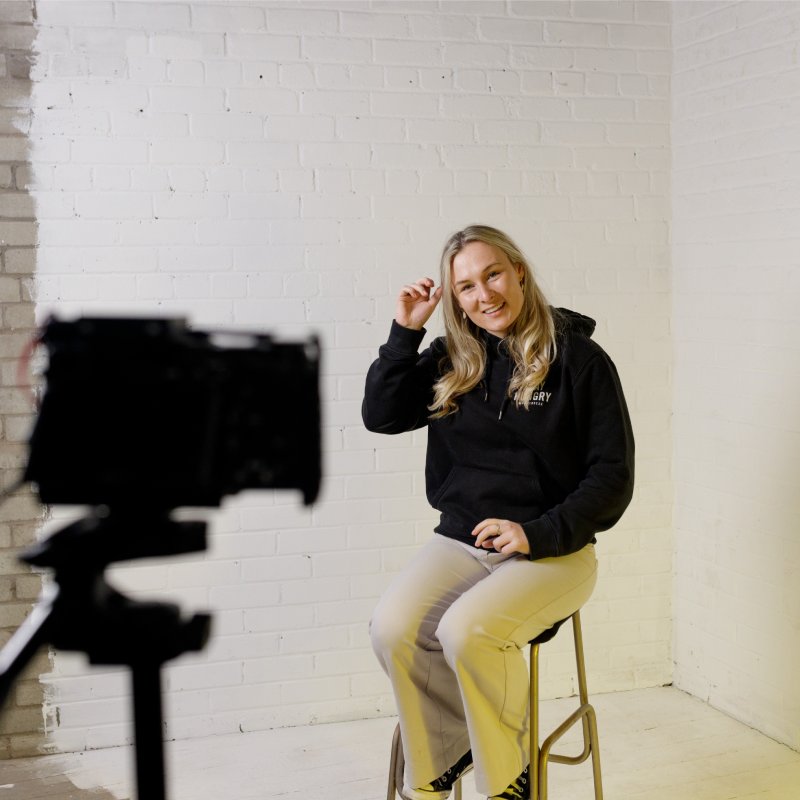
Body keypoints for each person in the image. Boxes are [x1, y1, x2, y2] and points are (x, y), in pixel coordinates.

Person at [362, 225, 634, 800]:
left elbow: (612, 478)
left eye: (492, 275)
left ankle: (507, 780)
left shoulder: (579, 361)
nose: (483, 295)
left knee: (467, 631)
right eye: (465, 287)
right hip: (464, 543)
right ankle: (443, 758)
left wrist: (537, 533)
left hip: (555, 549)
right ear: (454, 299)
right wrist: (404, 333)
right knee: (392, 627)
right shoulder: (452, 359)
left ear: (519, 273)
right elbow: (382, 416)